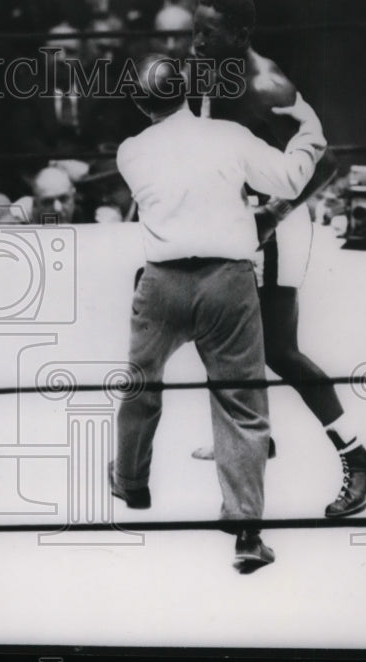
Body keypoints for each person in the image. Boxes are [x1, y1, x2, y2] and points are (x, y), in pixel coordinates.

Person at [111, 55, 327, 572]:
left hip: (161, 282)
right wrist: (309, 131)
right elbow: (292, 179)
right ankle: (247, 532)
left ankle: (131, 484)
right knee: (241, 402)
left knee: (141, 385)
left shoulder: (131, 151)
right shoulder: (228, 136)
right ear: (185, 92)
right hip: (227, 280)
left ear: (139, 103)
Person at [191, 0, 366, 518]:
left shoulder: (266, 85)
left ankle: (359, 458)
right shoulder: (216, 73)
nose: (197, 41)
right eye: (195, 29)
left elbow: (327, 161)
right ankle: (257, 435)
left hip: (277, 228)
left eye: (209, 32)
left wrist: (271, 216)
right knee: (227, 331)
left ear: (240, 35)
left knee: (279, 349)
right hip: (243, 223)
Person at [9, 166, 79, 225]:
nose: (57, 208)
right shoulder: (22, 211)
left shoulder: (82, 215)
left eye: (63, 199)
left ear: (74, 197)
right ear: (35, 205)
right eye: (48, 202)